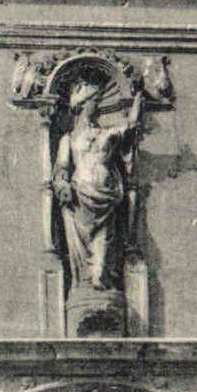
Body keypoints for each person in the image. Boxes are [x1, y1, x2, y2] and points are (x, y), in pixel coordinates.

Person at [51, 81, 143, 293]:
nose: (98, 106)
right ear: (83, 104)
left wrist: (138, 97)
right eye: (95, 101)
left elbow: (130, 126)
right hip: (80, 198)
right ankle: (85, 285)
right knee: (85, 253)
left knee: (103, 252)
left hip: (106, 196)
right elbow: (61, 168)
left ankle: (100, 280)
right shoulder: (69, 139)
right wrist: (62, 184)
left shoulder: (107, 134)